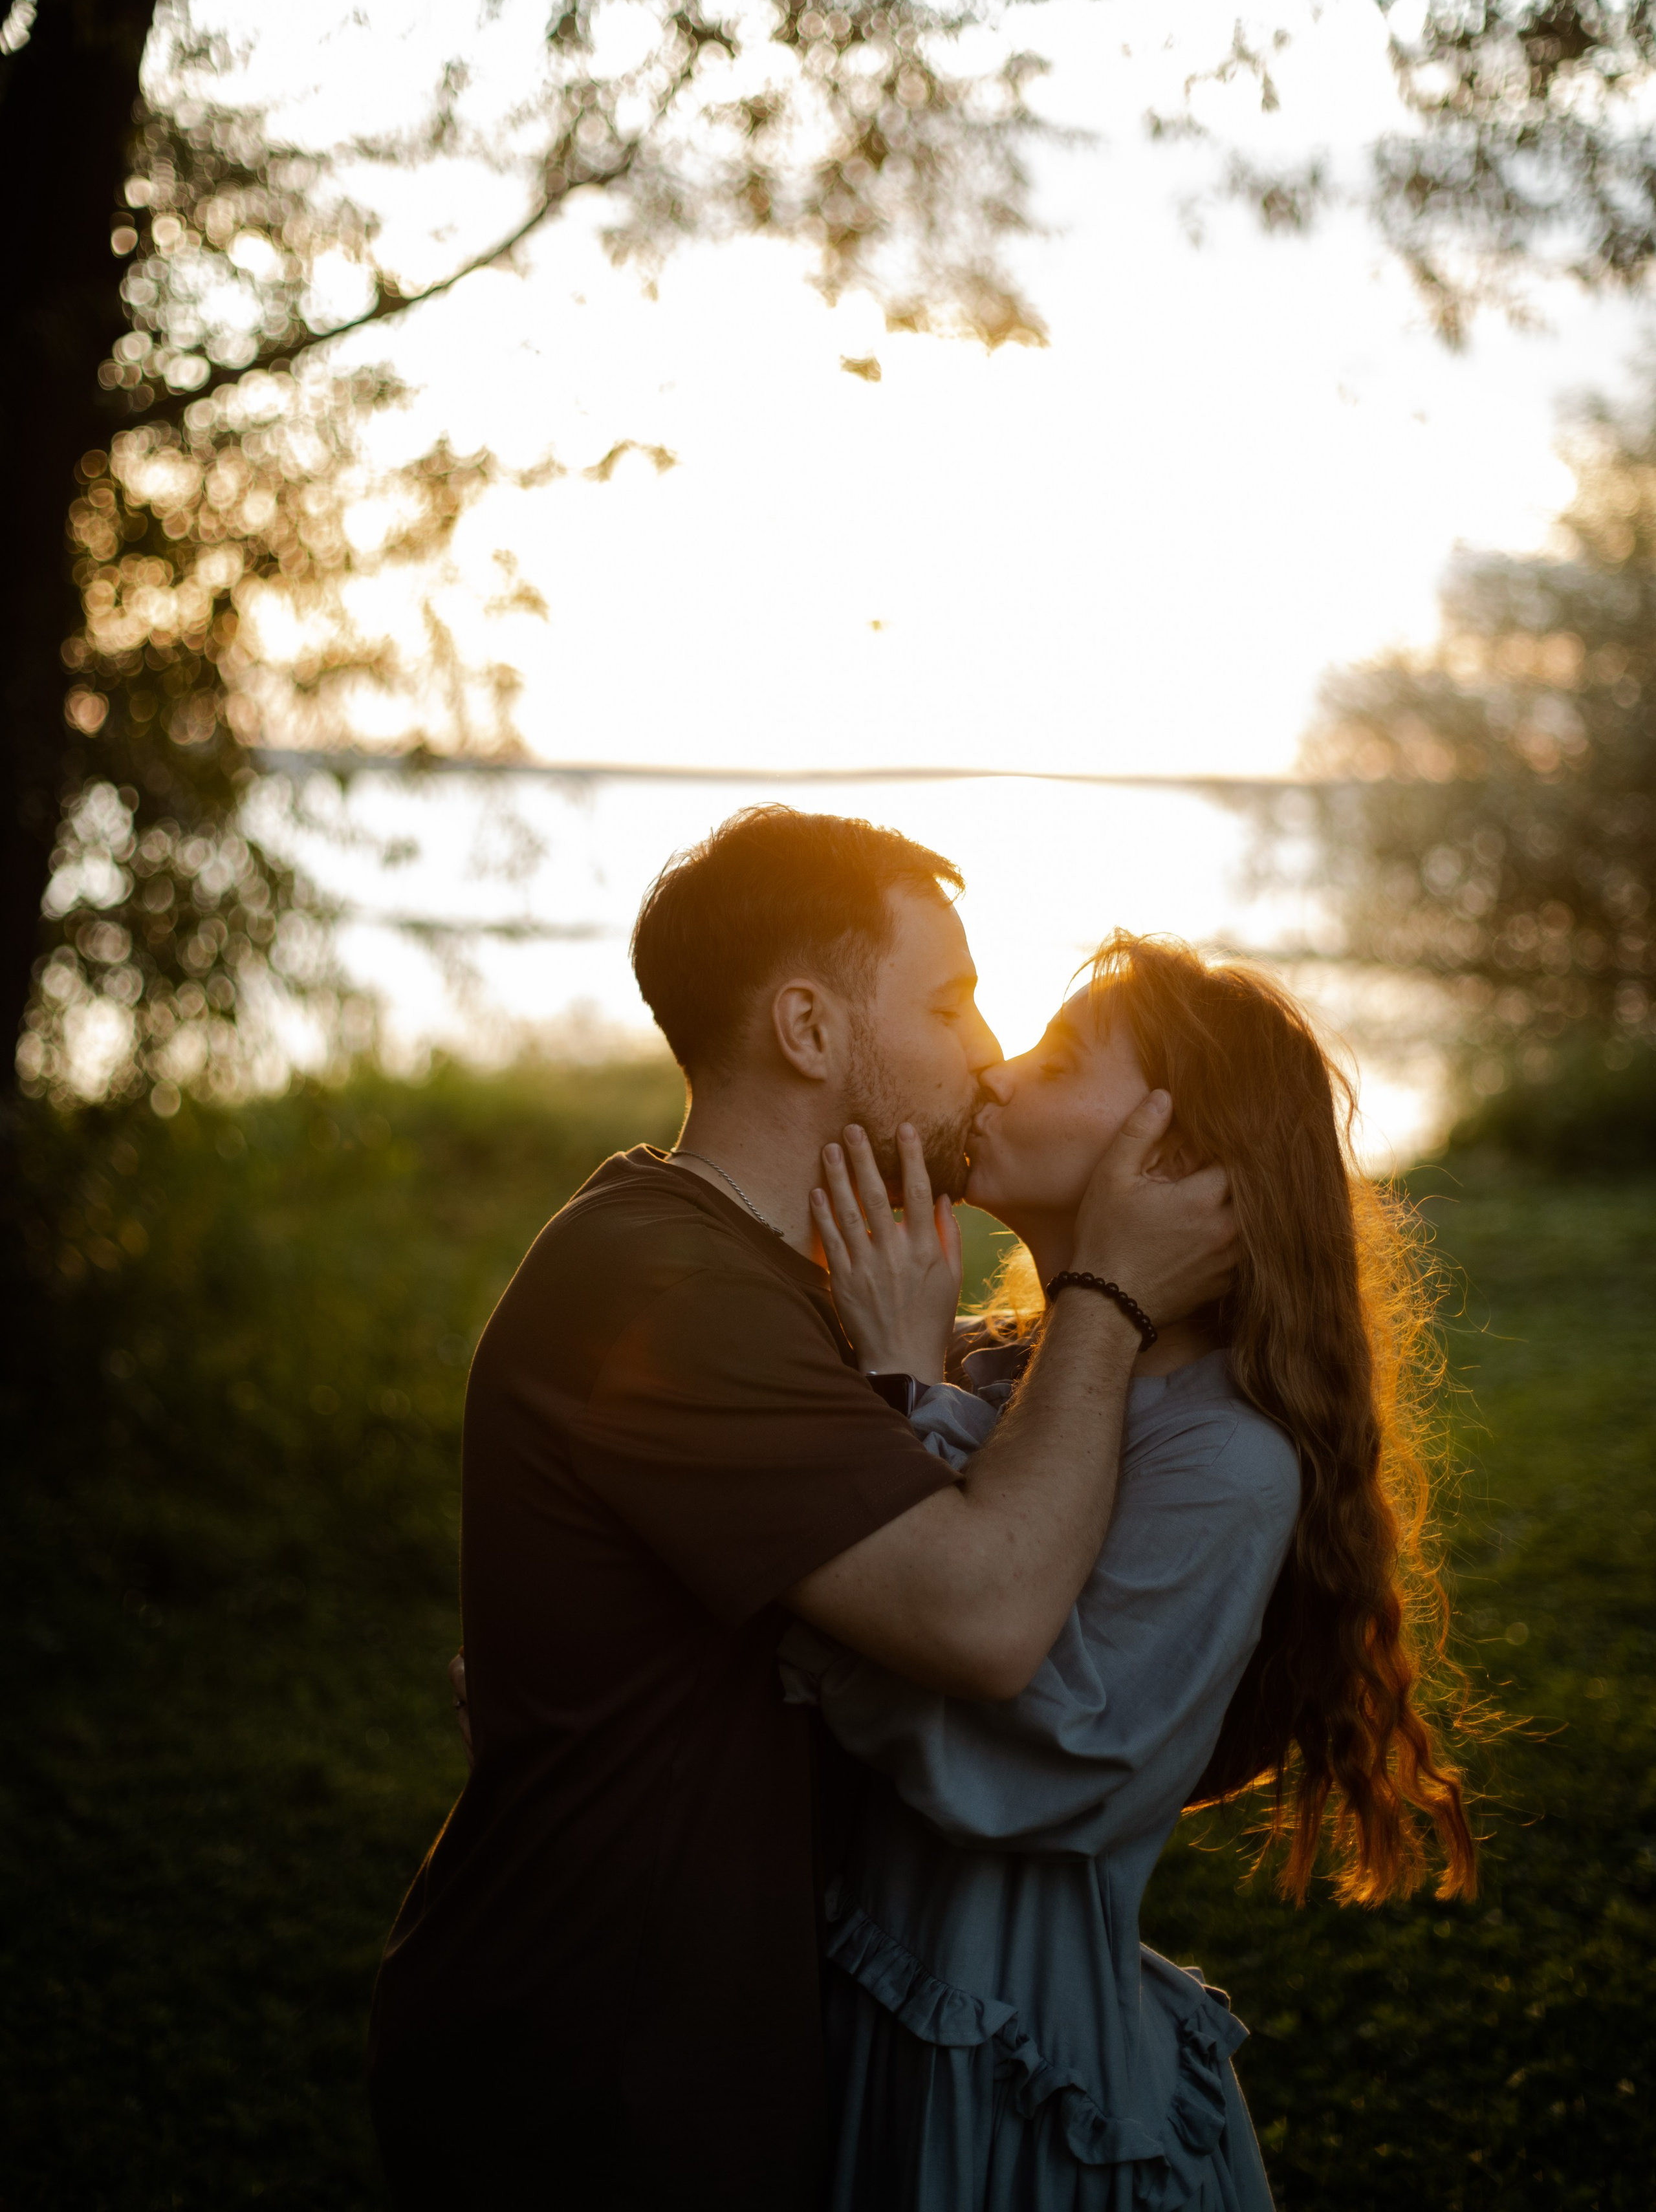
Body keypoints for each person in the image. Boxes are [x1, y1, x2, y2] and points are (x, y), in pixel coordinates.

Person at [367, 813, 1237, 2212]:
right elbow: (985, 1613)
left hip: (721, 2052)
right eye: (948, 1000)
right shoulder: (666, 1290)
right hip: (592, 2077)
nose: (983, 1049)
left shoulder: (776, 1285)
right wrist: (1111, 1292)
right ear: (807, 1027)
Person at [783, 931, 1478, 2211]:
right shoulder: (996, 1370)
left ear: (1176, 1158)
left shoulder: (1223, 1457)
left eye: (1054, 1059)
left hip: (1007, 2079)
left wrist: (893, 1404)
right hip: (847, 2015)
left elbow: (1049, 1762)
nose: (991, 1071)